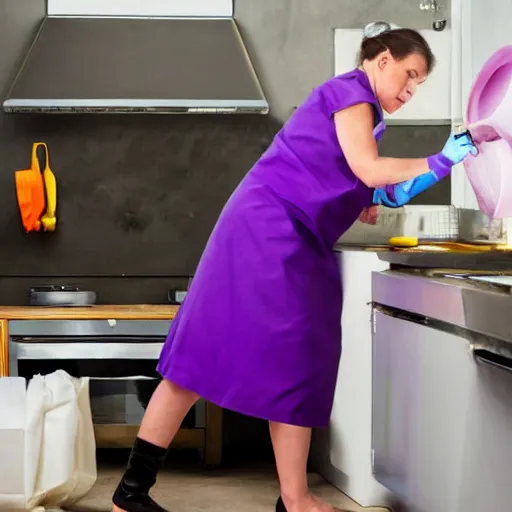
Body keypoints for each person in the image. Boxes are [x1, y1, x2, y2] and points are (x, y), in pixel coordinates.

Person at [112, 27, 476, 512]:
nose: (410, 92)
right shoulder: (351, 93)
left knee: (298, 362)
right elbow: (370, 171)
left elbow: (382, 190)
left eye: (419, 85)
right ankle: (133, 494)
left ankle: (292, 498)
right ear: (382, 58)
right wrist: (436, 156)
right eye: (410, 76)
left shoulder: (367, 118)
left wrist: (442, 166)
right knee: (200, 357)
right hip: (266, 231)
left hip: (298, 240)